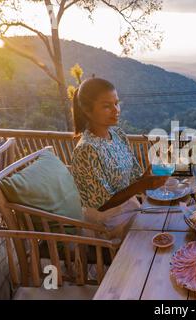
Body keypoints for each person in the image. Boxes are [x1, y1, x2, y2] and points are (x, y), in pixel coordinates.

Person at [71, 78, 167, 237]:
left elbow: (135, 179)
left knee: (170, 225)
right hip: (108, 225)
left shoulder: (118, 135)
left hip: (132, 209)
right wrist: (141, 186)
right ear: (87, 110)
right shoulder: (86, 150)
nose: (116, 110)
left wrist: (150, 175)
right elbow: (102, 205)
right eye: (107, 106)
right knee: (160, 236)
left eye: (116, 103)